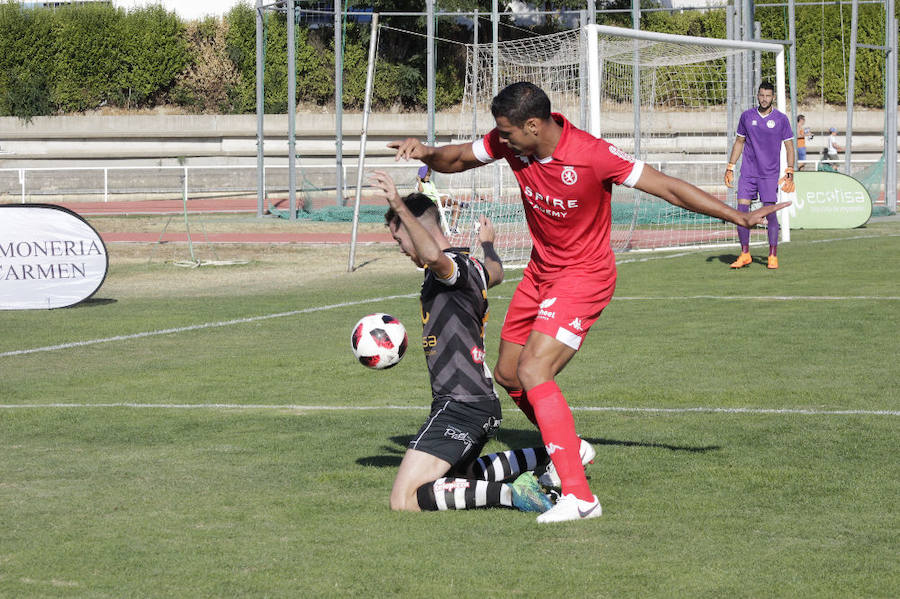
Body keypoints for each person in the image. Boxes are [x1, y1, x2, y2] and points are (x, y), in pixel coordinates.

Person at [388, 81, 789, 523]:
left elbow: (667, 188)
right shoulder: (512, 145)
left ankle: (580, 498)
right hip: (541, 272)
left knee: (534, 370)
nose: (499, 140)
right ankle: (570, 447)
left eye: (506, 132)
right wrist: (425, 152)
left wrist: (737, 216)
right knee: (507, 372)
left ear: (534, 126)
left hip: (585, 276)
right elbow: (460, 158)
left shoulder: (593, 154)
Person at [369, 169, 555, 515]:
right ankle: (553, 454)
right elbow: (496, 272)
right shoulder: (470, 263)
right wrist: (487, 244)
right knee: (459, 476)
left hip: (461, 404)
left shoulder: (449, 267)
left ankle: (513, 494)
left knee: (405, 499)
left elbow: (434, 257)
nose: (401, 249)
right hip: (480, 403)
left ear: (418, 230)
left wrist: (397, 202)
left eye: (401, 240)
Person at [724, 81, 795, 270]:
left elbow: (789, 146)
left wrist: (790, 170)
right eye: (761, 95)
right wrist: (730, 166)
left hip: (769, 173)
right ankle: (745, 253)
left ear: (773, 97)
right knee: (741, 212)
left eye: (768, 96)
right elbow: (739, 141)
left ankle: (772, 255)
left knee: (770, 213)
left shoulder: (781, 119)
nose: (764, 99)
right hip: (748, 172)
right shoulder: (747, 116)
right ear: (757, 95)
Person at [416, 165, 460, 233]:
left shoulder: (431, 183)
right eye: (426, 175)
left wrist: (440, 196)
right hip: (430, 204)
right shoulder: (420, 184)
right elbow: (421, 191)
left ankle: (453, 228)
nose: (428, 177)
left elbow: (436, 193)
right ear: (422, 175)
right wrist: (419, 181)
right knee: (445, 198)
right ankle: (460, 202)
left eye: (429, 175)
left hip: (438, 201)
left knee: (456, 207)